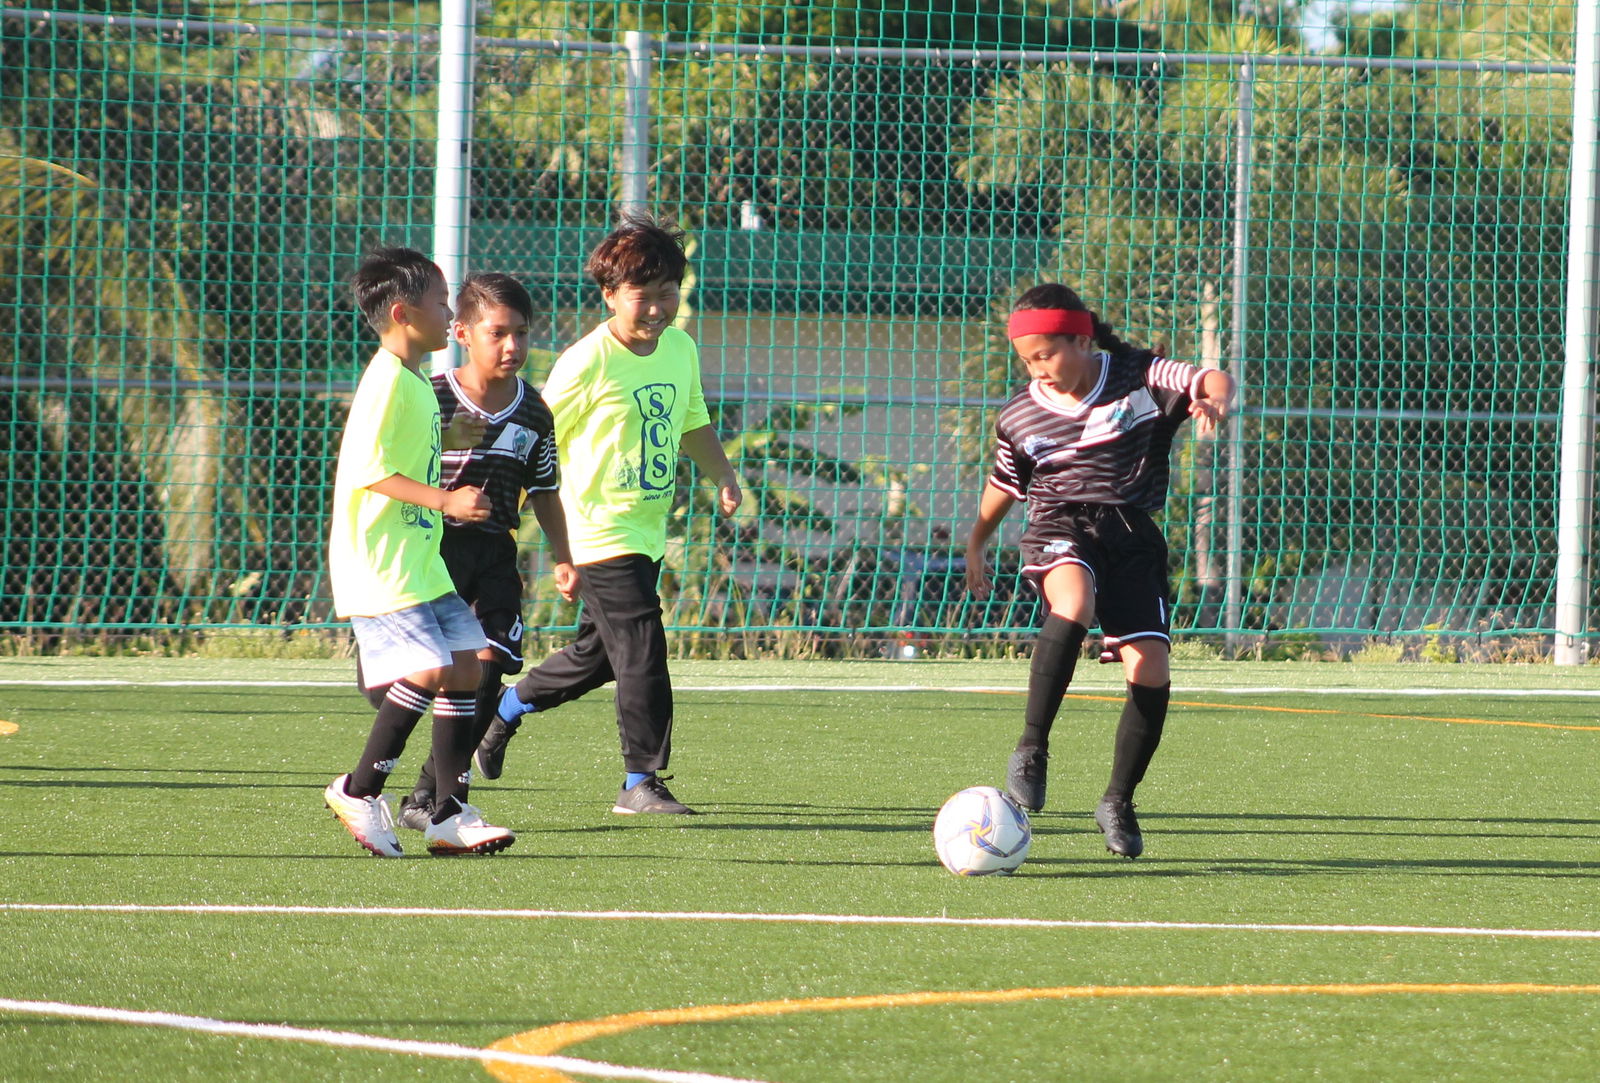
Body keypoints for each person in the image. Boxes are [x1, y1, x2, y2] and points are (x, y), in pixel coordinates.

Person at [473, 215, 743, 815]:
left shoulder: (680, 347)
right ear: (610, 295)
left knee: (599, 657)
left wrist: (722, 472)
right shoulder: (586, 360)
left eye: (667, 294)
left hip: (646, 531)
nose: (656, 309)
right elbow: (534, 433)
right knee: (643, 644)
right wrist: (509, 517)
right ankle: (639, 780)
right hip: (595, 531)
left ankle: (506, 708)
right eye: (641, 297)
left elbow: (692, 419)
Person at [964, 283, 1235, 859]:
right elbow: (1004, 486)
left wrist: (1216, 400)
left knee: (1152, 667)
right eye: (1027, 360)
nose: (1039, 369)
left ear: (1081, 339)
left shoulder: (1138, 375)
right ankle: (1032, 746)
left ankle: (1118, 800)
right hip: (1060, 520)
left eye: (1047, 354)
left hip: (1133, 533)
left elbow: (1210, 379)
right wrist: (976, 543)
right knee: (1075, 599)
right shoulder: (1019, 414)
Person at [353, 272, 578, 833]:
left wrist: (563, 555)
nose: (513, 346)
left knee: (488, 667)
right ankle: (409, 790)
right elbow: (388, 470)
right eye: (498, 333)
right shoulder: (428, 395)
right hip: (431, 552)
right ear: (462, 332)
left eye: (522, 334)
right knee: (410, 680)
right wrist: (444, 500)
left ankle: (434, 796)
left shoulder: (534, 413)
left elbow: (546, 489)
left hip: (495, 557)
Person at [322, 246, 516, 857]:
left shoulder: (412, 382)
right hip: (381, 561)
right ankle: (358, 789)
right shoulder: (385, 380)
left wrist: (471, 436)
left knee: (467, 664)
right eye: (440, 302)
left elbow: (418, 449)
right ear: (405, 313)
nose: (450, 311)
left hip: (419, 561)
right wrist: (444, 501)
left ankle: (446, 813)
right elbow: (368, 471)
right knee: (431, 668)